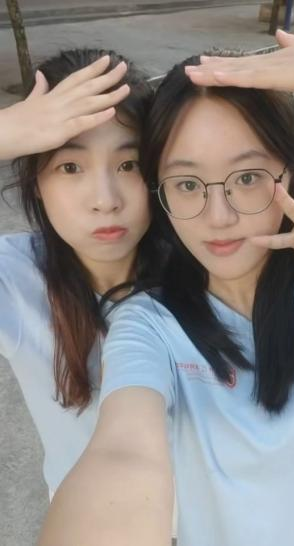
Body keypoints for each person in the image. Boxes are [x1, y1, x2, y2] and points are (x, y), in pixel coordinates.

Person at [37, 35, 294, 546]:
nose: (219, 216)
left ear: (291, 174)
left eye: (248, 177)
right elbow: (122, 454)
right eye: (187, 184)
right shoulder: (148, 326)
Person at [0, 48, 163, 504]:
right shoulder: (16, 280)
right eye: (70, 167)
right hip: (84, 521)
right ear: (36, 182)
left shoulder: (204, 261)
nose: (105, 200)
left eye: (129, 164)